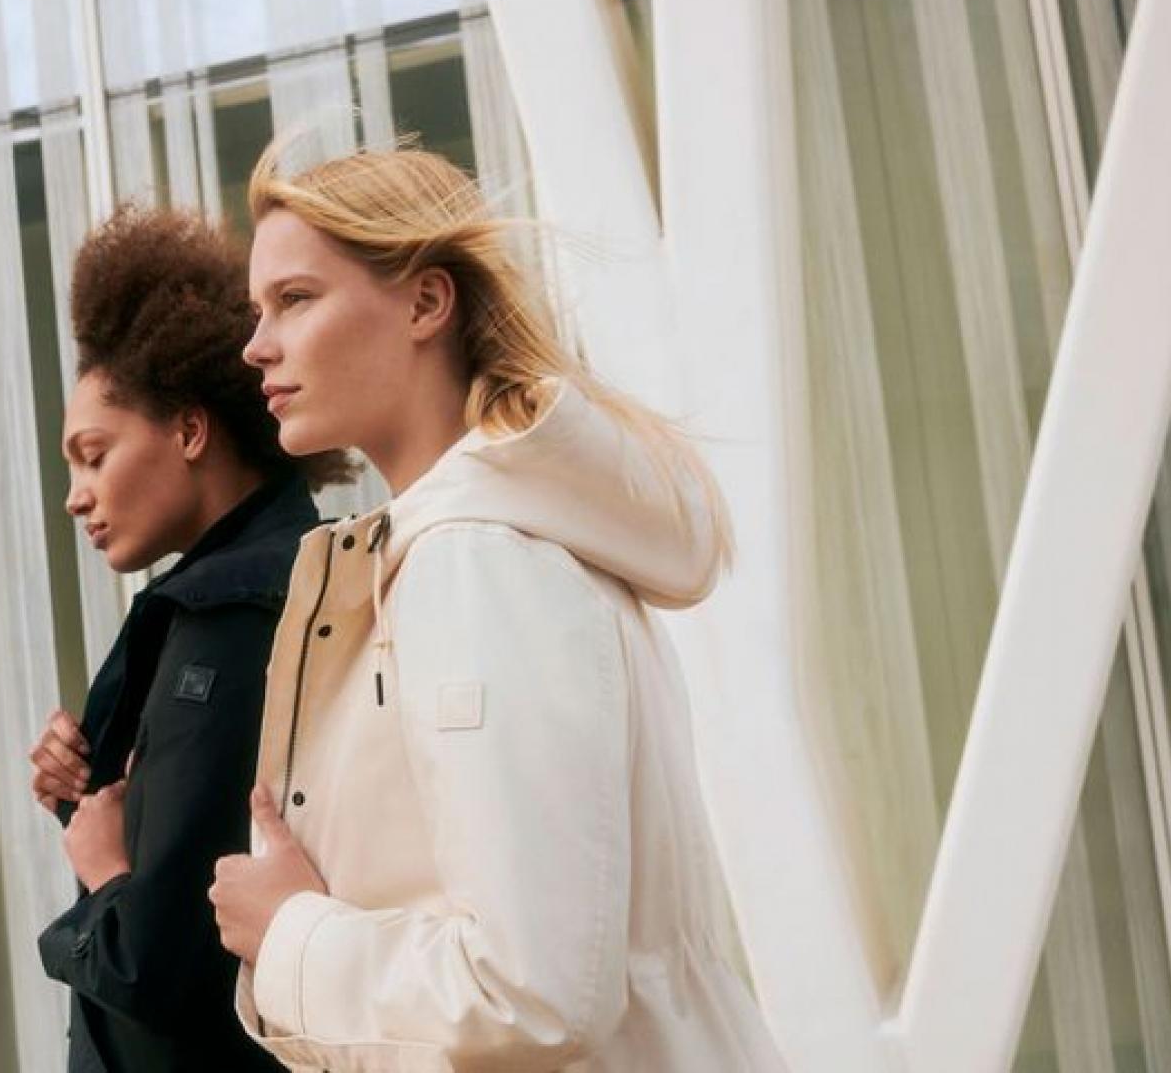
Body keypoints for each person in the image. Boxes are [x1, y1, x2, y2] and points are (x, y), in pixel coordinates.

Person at [208, 139, 788, 1071]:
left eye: (297, 299)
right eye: (257, 310)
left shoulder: (476, 563)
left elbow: (531, 992)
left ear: (425, 304)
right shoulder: (496, 542)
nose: (257, 346)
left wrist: (289, 934)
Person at [32, 205, 348, 1073]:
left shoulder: (228, 613)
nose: (75, 495)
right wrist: (86, 790)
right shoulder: (291, 576)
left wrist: (102, 866)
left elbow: (158, 963)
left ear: (188, 430)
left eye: (93, 454)